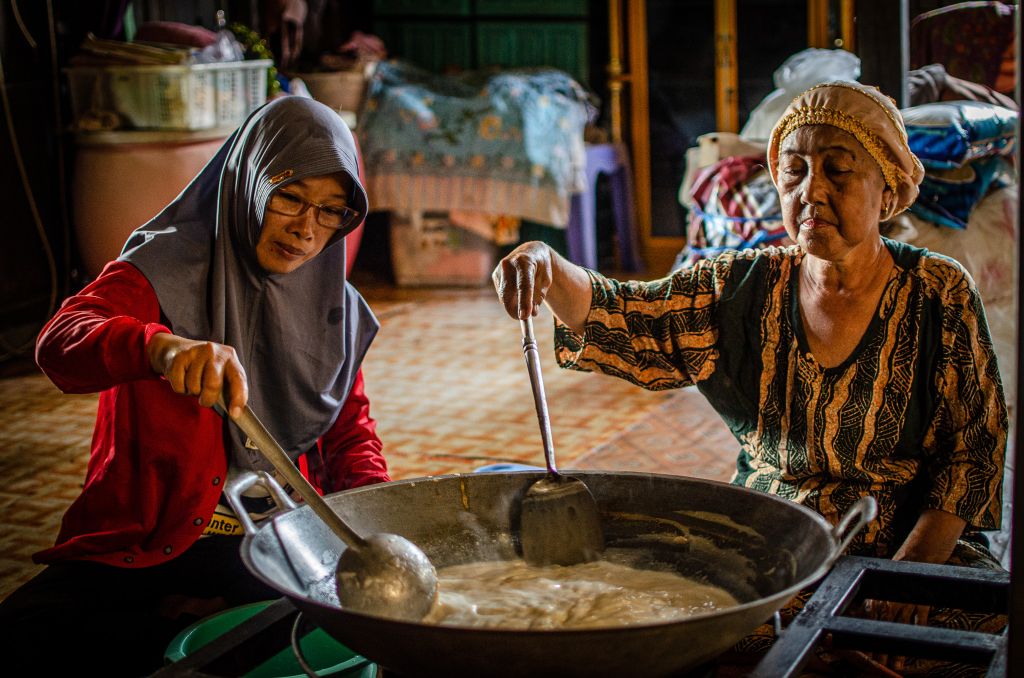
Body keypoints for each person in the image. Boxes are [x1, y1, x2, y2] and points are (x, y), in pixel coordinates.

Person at [493, 81, 1007, 674]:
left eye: (838, 172)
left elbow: (975, 446)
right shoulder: (741, 286)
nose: (811, 191)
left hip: (906, 540)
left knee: (980, 622)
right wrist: (547, 264)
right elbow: (634, 317)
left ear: (888, 189)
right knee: (678, 616)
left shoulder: (939, 291)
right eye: (793, 172)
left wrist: (911, 572)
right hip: (776, 543)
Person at [0, 97, 387, 675]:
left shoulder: (335, 304)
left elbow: (350, 436)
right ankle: (186, 628)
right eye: (289, 198)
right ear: (250, 183)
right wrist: (158, 346)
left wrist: (378, 528)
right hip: (147, 540)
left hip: (273, 545)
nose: (307, 230)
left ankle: (187, 630)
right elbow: (60, 344)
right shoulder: (163, 267)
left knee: (336, 623)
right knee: (24, 634)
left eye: (332, 211)